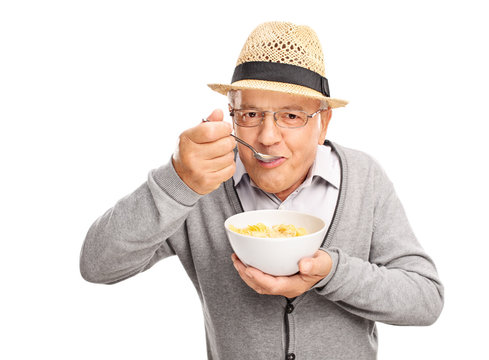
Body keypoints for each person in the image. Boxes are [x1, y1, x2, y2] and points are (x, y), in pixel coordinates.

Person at [80, 21, 444, 360]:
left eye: (291, 116)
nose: (267, 138)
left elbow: (425, 299)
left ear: (323, 124)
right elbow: (98, 265)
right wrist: (178, 181)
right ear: (232, 115)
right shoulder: (203, 186)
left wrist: (332, 273)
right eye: (250, 115)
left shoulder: (364, 178)